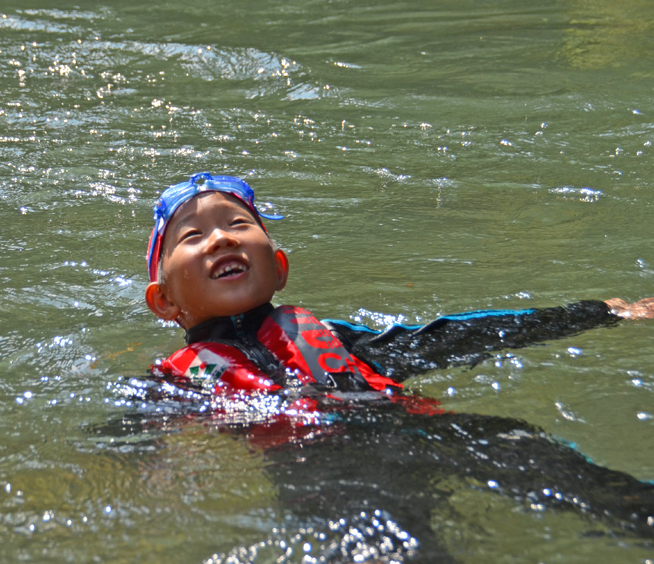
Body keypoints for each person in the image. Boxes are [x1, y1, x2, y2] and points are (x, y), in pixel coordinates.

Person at [144, 172, 654, 416]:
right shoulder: (174, 381)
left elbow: (455, 336)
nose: (222, 238)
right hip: (317, 464)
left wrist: (601, 313)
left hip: (421, 425)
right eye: (192, 237)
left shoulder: (335, 339)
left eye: (237, 223)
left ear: (279, 270)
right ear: (165, 301)